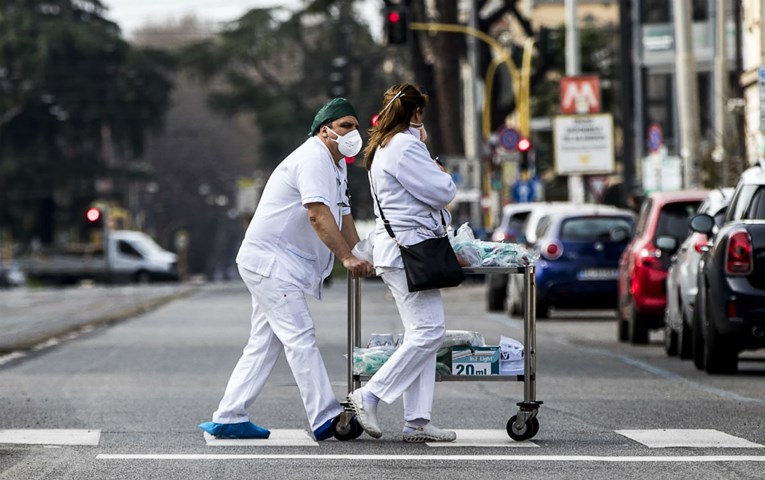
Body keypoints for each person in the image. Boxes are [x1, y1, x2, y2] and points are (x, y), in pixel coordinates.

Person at [198, 97, 374, 441]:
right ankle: (325, 416)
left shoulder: (336, 165)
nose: (354, 133)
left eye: (356, 126)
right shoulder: (313, 158)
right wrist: (346, 258)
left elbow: (344, 216)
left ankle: (230, 415)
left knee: (265, 343)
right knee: (300, 336)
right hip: (271, 261)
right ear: (325, 131)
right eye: (345, 126)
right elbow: (318, 215)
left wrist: (364, 253)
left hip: (277, 262)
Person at [346, 83, 457, 443]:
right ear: (416, 114)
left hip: (400, 249)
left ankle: (418, 421)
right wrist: (441, 172)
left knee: (421, 335)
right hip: (409, 251)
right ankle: (371, 395)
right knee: (429, 332)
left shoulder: (384, 145)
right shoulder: (405, 147)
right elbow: (443, 193)